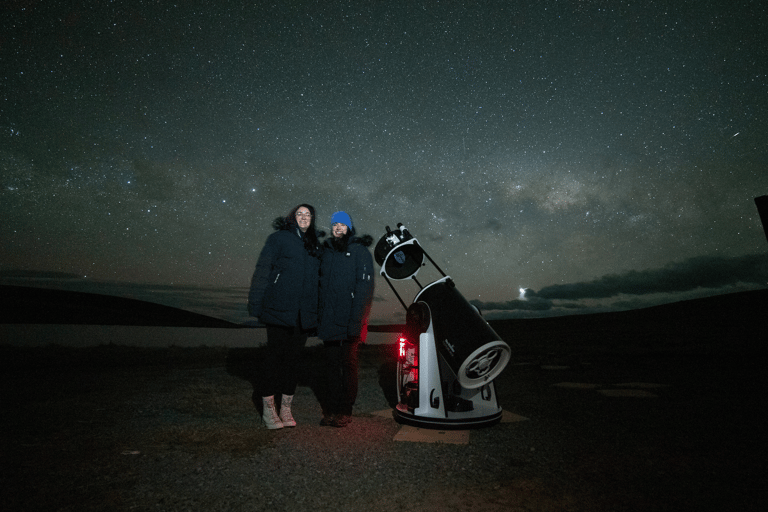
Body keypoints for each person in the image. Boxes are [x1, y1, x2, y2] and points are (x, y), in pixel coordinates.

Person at [247, 204, 322, 429]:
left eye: (308, 214)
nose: (303, 217)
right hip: (279, 309)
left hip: (303, 314)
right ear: (292, 217)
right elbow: (263, 270)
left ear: (312, 219)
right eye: (299, 213)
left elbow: (319, 281)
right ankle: (269, 411)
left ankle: (286, 409)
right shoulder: (278, 238)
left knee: (293, 362)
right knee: (274, 359)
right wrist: (256, 304)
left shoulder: (314, 245)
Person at [317, 211, 375, 427]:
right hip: (329, 318)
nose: (338, 227)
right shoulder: (327, 251)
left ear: (349, 227)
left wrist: (357, 321)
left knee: (348, 364)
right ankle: (331, 409)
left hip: (351, 318)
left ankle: (345, 410)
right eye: (335, 224)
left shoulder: (360, 252)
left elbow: (364, 289)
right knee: (331, 365)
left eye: (342, 224)